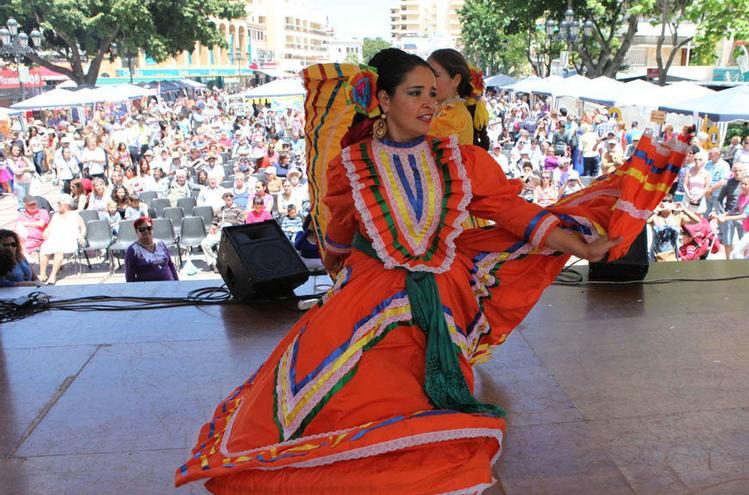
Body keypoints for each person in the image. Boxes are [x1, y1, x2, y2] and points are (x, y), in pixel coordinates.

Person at [176, 49, 685, 494]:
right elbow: (337, 231)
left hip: (440, 290)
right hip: (370, 287)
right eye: (416, 93)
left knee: (415, 388)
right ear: (383, 100)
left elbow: (513, 212)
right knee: (312, 389)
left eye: (434, 94)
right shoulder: (353, 164)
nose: (430, 104)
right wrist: (338, 269)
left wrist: (576, 244)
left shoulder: (459, 159)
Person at [427, 48, 489, 149]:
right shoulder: (446, 110)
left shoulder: (454, 114)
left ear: (456, 80)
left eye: (434, 75)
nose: (426, 80)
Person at [38, 194, 86, 284]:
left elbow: (83, 227)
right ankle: (42, 274)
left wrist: (82, 236)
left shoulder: (74, 215)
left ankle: (53, 275)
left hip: (69, 239)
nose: (58, 205)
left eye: (60, 203)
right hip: (55, 238)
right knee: (44, 248)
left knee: (59, 250)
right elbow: (49, 228)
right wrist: (45, 233)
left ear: (66, 205)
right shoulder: (56, 215)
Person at [124, 216, 179, 282]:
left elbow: (171, 265)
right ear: (136, 231)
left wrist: (177, 283)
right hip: (148, 288)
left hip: (169, 284)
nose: (146, 231)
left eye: (149, 228)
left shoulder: (161, 244)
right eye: (142, 229)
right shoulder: (132, 250)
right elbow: (130, 276)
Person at [201, 192, 244, 271]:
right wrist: (213, 227)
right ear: (223, 198)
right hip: (220, 231)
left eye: (230, 196)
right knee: (204, 243)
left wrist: (230, 224)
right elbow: (214, 221)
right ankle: (215, 263)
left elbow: (241, 223)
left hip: (232, 232)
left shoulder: (238, 209)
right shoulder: (220, 209)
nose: (229, 198)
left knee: (223, 246)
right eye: (226, 196)